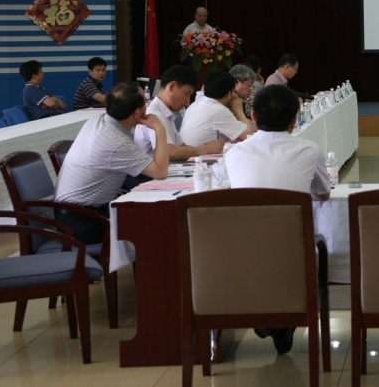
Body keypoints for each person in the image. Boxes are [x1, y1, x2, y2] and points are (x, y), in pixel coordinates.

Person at [227, 84, 330, 354]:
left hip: (243, 253)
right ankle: (279, 323)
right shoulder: (309, 150)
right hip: (294, 254)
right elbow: (323, 194)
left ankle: (271, 321)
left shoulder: (234, 153)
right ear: (294, 120)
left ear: (253, 117)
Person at [54, 81, 169, 244]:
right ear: (137, 113)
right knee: (154, 224)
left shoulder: (98, 120)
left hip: (74, 214)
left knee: (147, 214)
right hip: (82, 223)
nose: (148, 107)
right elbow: (160, 172)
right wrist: (159, 128)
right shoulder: (116, 141)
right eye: (145, 103)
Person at [134, 65, 225, 160]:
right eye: (186, 94)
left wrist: (206, 150)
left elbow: (181, 147)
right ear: (172, 87)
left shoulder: (166, 114)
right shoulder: (154, 114)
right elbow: (170, 152)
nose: (188, 101)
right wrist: (206, 149)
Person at [179, 70, 255, 146]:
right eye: (233, 92)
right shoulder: (219, 110)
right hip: (198, 153)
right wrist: (239, 111)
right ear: (228, 93)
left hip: (186, 151)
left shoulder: (196, 103)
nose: (234, 95)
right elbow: (248, 136)